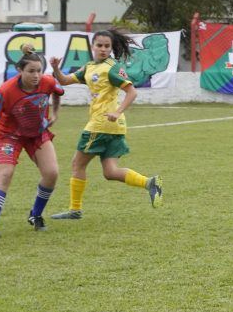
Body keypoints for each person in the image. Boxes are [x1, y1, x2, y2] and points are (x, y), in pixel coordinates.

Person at [49, 29, 163, 220]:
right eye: (99, 45)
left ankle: (74, 210)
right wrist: (55, 68)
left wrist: (117, 111)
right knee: (110, 172)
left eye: (106, 46)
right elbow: (64, 80)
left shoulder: (111, 67)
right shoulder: (89, 67)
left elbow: (132, 92)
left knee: (77, 164)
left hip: (101, 124)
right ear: (92, 46)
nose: (103, 49)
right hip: (114, 127)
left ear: (111, 48)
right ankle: (150, 183)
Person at [0, 44, 63, 239]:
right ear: (19, 70)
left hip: (37, 134)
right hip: (10, 136)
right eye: (31, 71)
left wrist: (55, 113)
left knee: (51, 173)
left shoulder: (47, 82)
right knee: (5, 174)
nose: (36, 75)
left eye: (39, 70)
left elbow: (57, 93)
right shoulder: (6, 91)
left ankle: (36, 215)